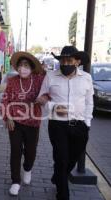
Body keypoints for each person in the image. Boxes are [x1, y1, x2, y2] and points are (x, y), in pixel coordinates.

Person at [36, 46, 94, 200]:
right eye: (63, 60)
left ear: (77, 61)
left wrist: (87, 123)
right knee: (61, 159)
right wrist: (53, 107)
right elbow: (41, 98)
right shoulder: (51, 76)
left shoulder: (86, 78)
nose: (66, 63)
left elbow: (89, 102)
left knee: (72, 159)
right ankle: (63, 194)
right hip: (57, 125)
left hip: (80, 125)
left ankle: (58, 175)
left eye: (69, 60)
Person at [1, 52, 46, 196]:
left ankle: (27, 168)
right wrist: (7, 117)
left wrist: (43, 98)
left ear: (32, 68)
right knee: (15, 150)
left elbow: (49, 90)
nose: (22, 69)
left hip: (33, 121)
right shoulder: (12, 80)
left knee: (30, 151)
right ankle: (15, 181)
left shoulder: (39, 80)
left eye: (26, 66)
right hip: (15, 121)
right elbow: (5, 100)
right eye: (20, 66)